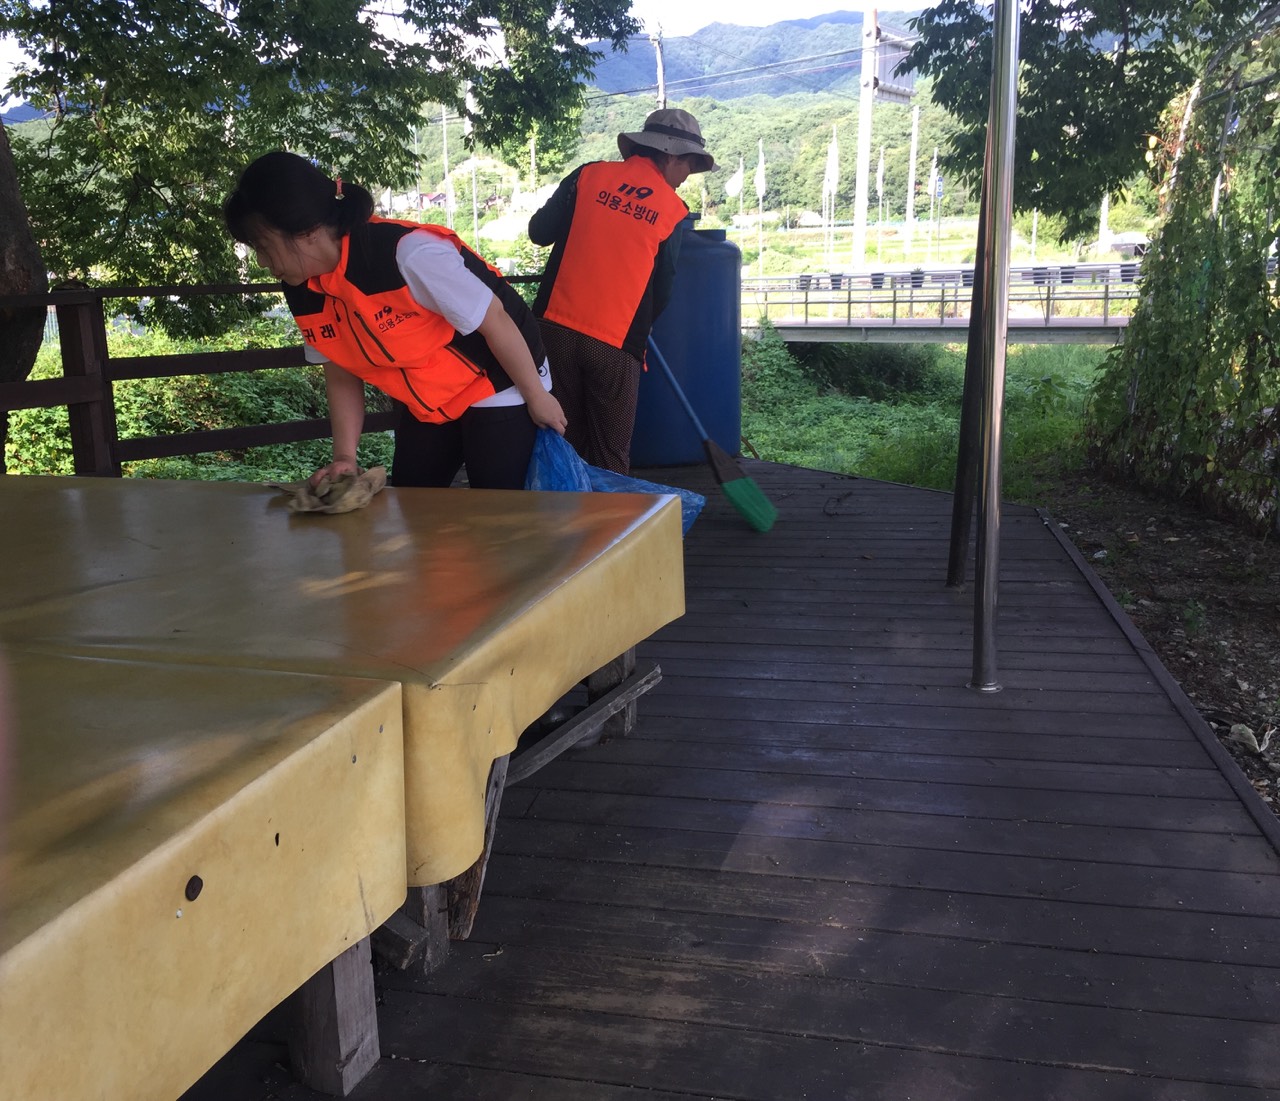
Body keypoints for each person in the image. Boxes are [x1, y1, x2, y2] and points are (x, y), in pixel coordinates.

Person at [224, 151, 566, 491]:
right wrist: (345, 456)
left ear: (307, 231)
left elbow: (496, 320)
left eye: (264, 246)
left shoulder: (408, 254)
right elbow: (340, 371)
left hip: (499, 379)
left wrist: (536, 396)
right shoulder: (301, 287)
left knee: (498, 509)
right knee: (412, 500)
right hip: (429, 397)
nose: (262, 262)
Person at [528, 108, 718, 474]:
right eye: (688, 166)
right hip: (614, 346)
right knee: (610, 454)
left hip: (554, 331)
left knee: (563, 439)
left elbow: (539, 232)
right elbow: (663, 288)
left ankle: (561, 508)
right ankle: (609, 512)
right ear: (671, 156)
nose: (686, 178)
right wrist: (640, 326)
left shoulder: (587, 175)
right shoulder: (671, 209)